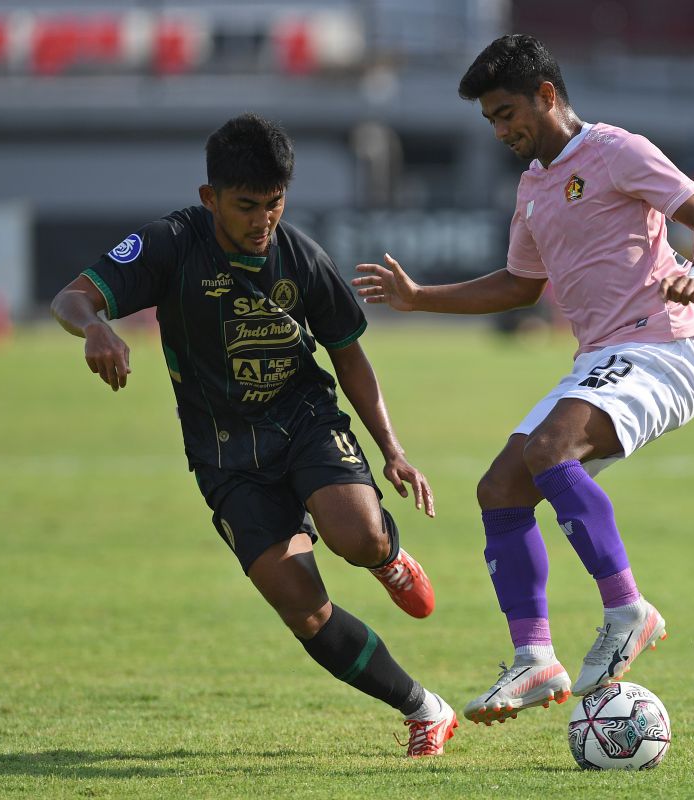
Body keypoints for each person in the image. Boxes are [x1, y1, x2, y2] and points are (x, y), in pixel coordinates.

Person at [50, 113, 457, 756]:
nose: (262, 219)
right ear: (209, 197)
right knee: (304, 606)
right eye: (246, 206)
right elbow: (71, 298)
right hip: (224, 454)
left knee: (355, 535)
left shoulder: (302, 259)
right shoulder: (170, 244)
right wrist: (96, 326)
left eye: (274, 204)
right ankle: (424, 708)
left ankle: (386, 556)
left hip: (304, 421)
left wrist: (393, 452)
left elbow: (349, 355)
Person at [353, 34, 694, 725]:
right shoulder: (532, 187)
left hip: (664, 348)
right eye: (491, 121)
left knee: (548, 451)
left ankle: (628, 610)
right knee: (499, 487)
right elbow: (521, 286)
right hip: (602, 361)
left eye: (506, 113)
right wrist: (419, 297)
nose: (501, 131)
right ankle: (535, 660)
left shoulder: (617, 150)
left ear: (547, 96)